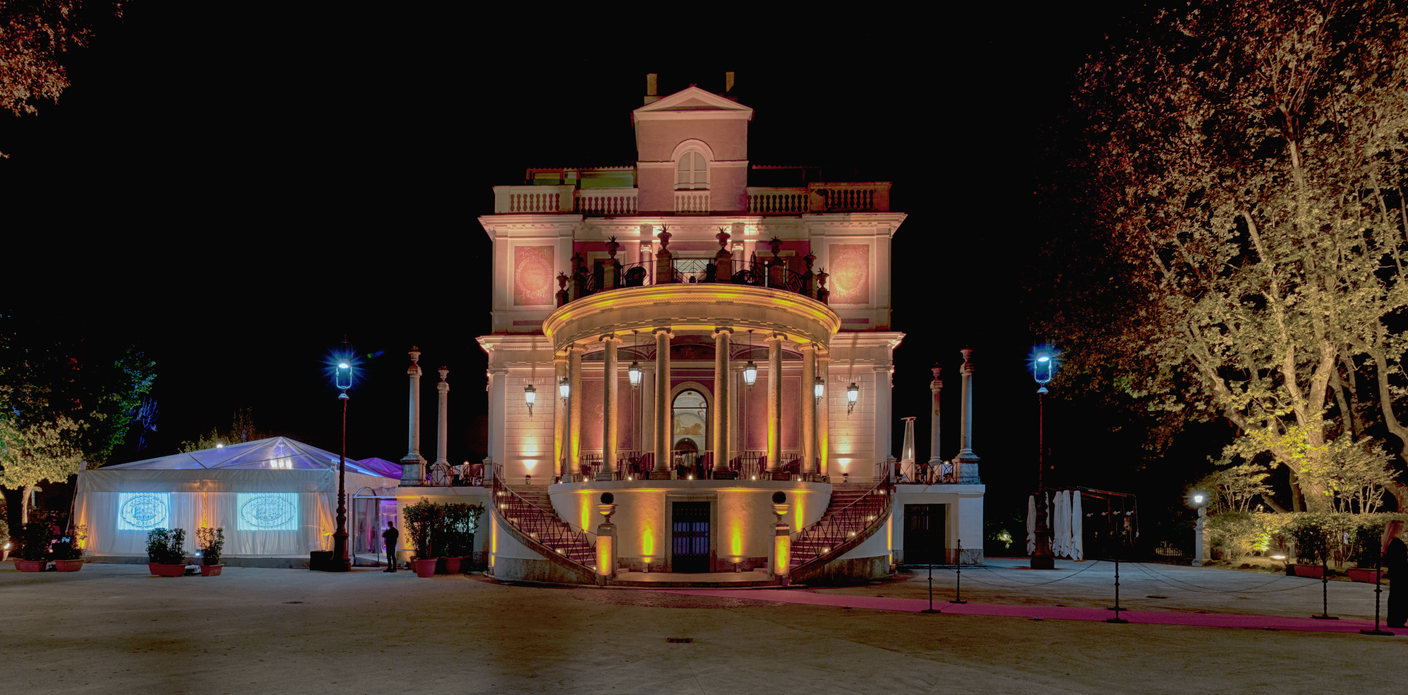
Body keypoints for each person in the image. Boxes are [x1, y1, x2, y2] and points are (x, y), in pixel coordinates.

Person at [1383, 520, 1406, 628]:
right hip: (1401, 574)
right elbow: (1401, 561)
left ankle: (1393, 620)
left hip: (1395, 573)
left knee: (1395, 596)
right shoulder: (1397, 543)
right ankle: (1397, 620)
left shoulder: (1390, 543)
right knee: (1400, 597)